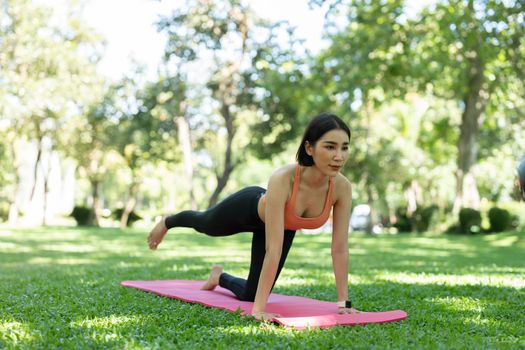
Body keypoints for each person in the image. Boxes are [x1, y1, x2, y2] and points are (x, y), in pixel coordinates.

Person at [147, 113, 360, 321]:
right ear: (309, 148)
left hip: (283, 227)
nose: (339, 156)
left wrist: (344, 304)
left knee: (250, 294)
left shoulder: (342, 187)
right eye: (330, 146)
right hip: (247, 209)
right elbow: (273, 250)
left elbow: (339, 248)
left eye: (344, 147)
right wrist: (259, 310)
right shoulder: (283, 179)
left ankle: (218, 277)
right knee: (205, 223)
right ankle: (168, 221)